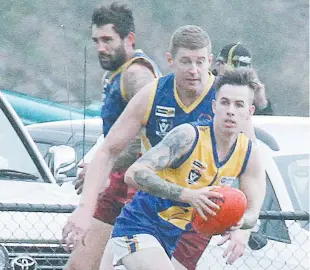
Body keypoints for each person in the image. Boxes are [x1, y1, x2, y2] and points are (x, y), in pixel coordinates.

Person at [63, 25, 256, 269]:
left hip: (197, 216)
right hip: (152, 206)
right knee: (81, 264)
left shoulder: (225, 100)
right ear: (170, 61)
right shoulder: (154, 93)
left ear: (209, 61)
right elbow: (108, 150)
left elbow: (251, 164)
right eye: (185, 61)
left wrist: (244, 229)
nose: (194, 71)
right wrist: (84, 210)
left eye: (199, 62)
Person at [108, 67, 266, 270]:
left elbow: (253, 213)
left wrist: (237, 222)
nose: (231, 110)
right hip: (138, 226)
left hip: (172, 236)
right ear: (214, 106)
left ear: (249, 112)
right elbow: (134, 174)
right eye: (225, 102)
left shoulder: (248, 153)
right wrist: (187, 195)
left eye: (239, 105)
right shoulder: (189, 136)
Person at [64, 3, 161, 270]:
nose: (100, 47)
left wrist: (104, 167)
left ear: (129, 39)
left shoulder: (136, 75)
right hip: (119, 185)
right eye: (96, 40)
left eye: (108, 40)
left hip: (133, 189)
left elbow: (150, 138)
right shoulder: (118, 73)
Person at [212, 43, 273, 115]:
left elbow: (265, 123)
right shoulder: (205, 87)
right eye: (232, 76)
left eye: (244, 76)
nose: (238, 83)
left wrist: (261, 103)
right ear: (218, 65)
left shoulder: (248, 92)